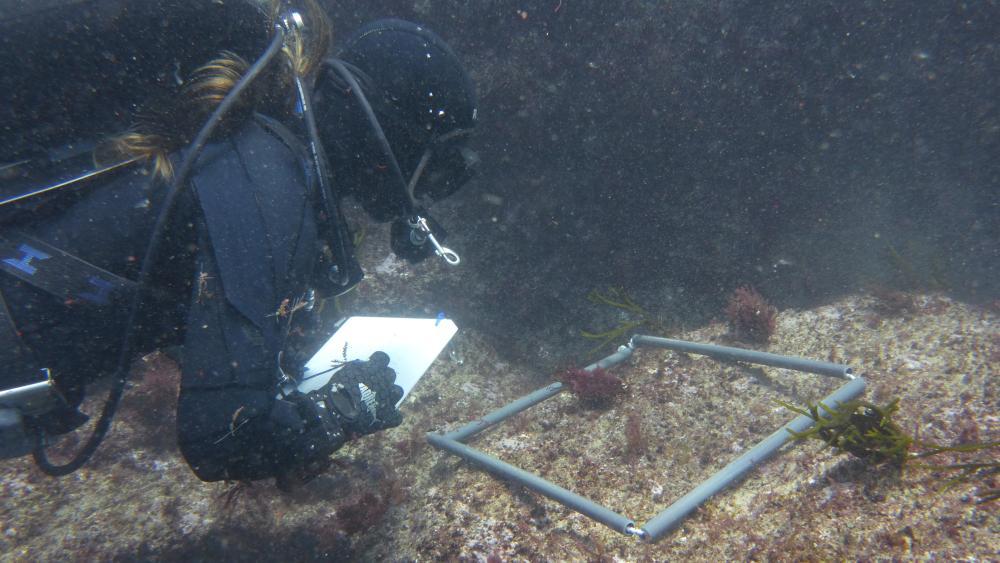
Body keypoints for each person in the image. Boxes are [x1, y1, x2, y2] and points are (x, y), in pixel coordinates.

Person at [0, 0, 478, 488]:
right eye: (435, 168)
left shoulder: (260, 154)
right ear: (391, 138)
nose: (426, 193)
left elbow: (188, 294)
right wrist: (343, 408)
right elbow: (221, 438)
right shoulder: (272, 186)